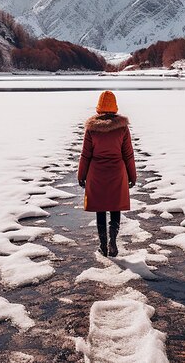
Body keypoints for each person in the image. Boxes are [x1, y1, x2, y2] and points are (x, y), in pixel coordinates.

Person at [77, 90, 136, 257]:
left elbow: (85, 154)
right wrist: (133, 176)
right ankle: (113, 242)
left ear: (99, 108)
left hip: (96, 174)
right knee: (115, 208)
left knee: (100, 210)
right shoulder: (122, 128)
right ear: (114, 107)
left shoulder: (92, 128)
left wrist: (81, 175)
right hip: (117, 173)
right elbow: (128, 154)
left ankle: (103, 245)